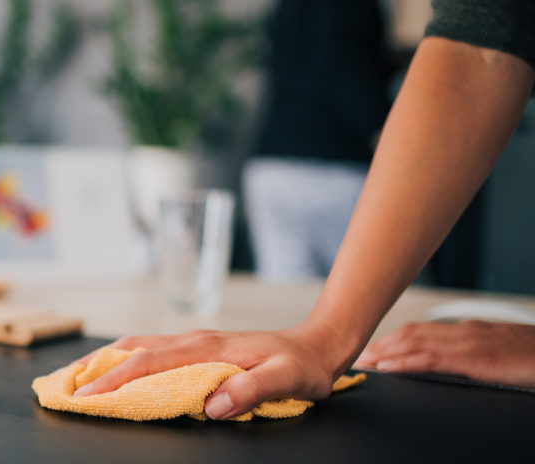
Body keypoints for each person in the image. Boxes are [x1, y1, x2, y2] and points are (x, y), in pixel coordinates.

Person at [71, 0, 535, 418]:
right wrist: (326, 335)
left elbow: (482, 41)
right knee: (347, 315)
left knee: (290, 289)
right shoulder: (355, 11)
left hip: (271, 165)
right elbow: (479, 40)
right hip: (333, 163)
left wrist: (325, 334)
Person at [245, 0, 392, 282]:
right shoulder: (349, 8)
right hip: (337, 169)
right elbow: (343, 70)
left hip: (274, 164)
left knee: (287, 303)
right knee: (370, 296)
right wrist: (384, 132)